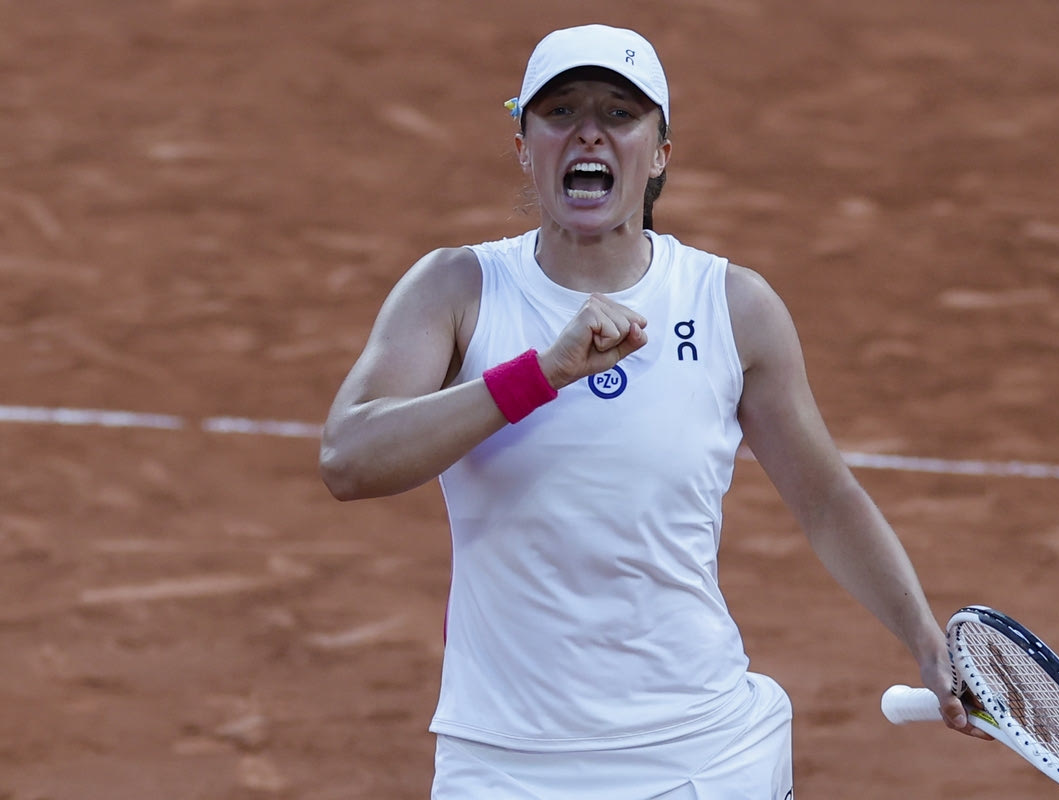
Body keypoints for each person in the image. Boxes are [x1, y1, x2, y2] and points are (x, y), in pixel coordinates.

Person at [320, 23, 983, 799]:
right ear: (524, 146)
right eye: (560, 112)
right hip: (502, 763)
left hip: (701, 755)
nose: (588, 132)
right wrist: (541, 373)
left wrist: (924, 638)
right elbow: (348, 459)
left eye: (619, 113)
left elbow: (827, 499)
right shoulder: (458, 290)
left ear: (660, 152)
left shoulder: (732, 306)